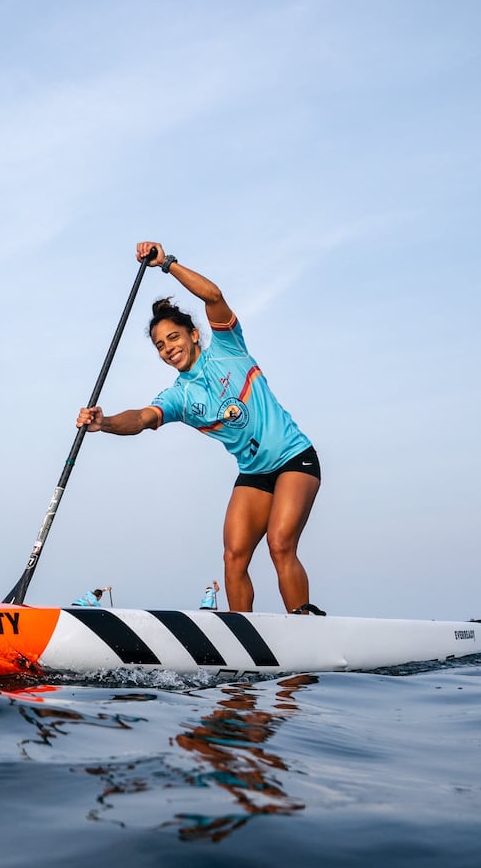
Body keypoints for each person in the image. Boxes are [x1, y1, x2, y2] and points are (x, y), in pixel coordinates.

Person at [77, 241, 323, 615]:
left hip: (294, 459)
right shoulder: (178, 396)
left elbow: (214, 296)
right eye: (160, 345)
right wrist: (105, 423)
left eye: (173, 337)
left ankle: (305, 625)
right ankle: (243, 637)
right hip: (255, 473)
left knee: (279, 544)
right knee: (233, 556)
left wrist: (168, 264)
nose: (168, 348)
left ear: (193, 333)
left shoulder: (228, 348)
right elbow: (142, 418)